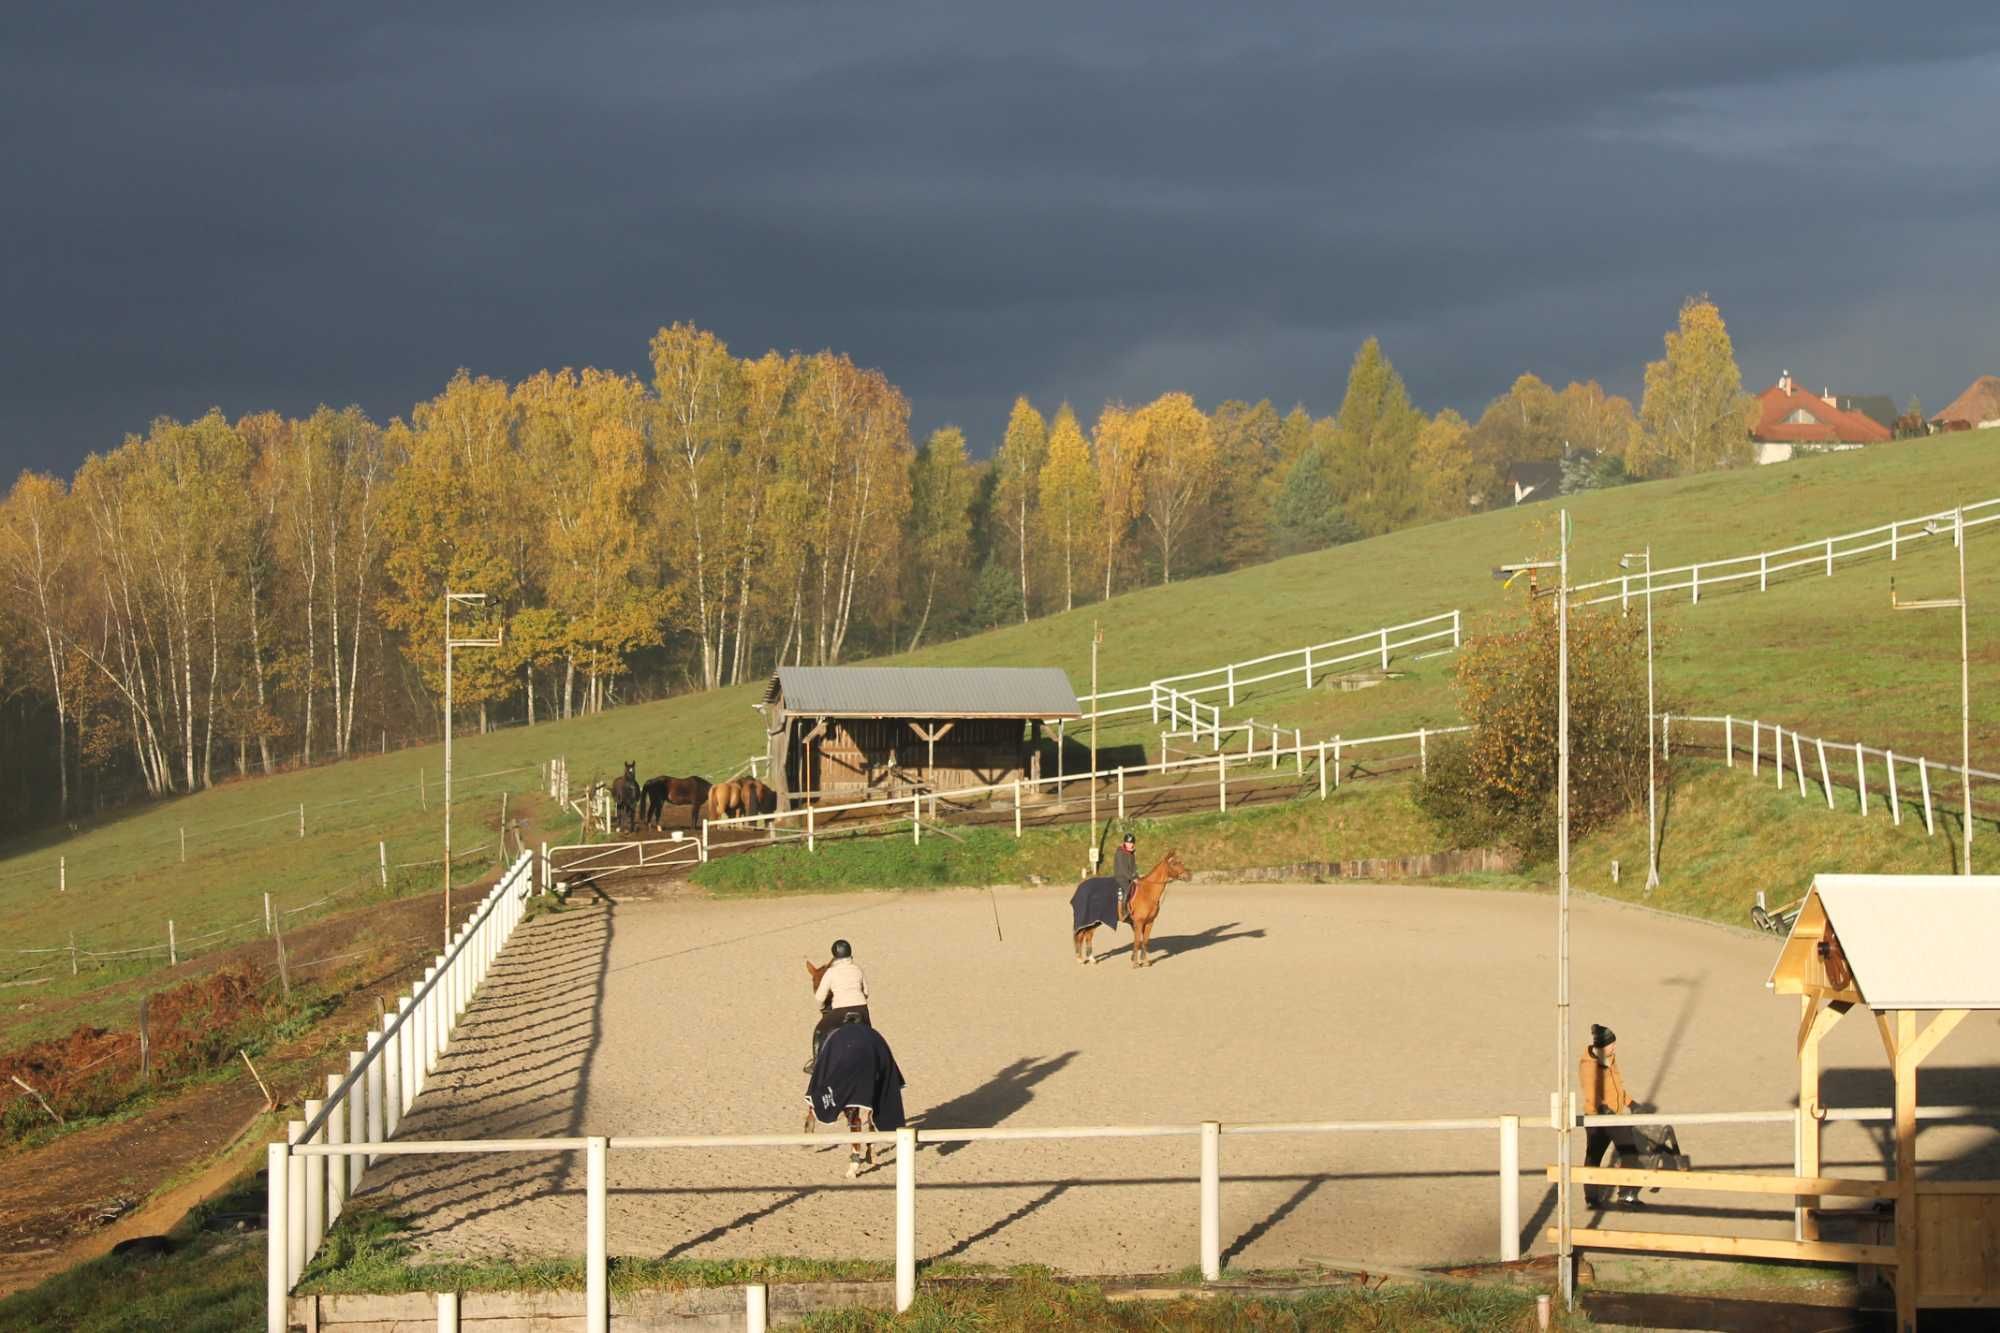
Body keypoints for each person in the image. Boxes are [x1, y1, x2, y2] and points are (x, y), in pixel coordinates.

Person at [1579, 1023, 1642, 1208]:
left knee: (1611, 1154)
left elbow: (1617, 1087)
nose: (1614, 1048)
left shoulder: (1610, 1058)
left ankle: (1621, 1195)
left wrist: (1630, 1102)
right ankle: (1600, 1197)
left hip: (1613, 1115)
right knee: (1605, 1155)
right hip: (1598, 1118)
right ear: (1601, 1046)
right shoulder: (1588, 1065)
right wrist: (1604, 1109)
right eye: (1611, 1044)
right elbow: (1591, 1092)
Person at [806, 938, 870, 1073]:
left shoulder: (831, 972)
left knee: (819, 1031)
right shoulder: (858, 969)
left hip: (840, 1011)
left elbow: (819, 997)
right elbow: (866, 992)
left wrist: (822, 1008)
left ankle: (816, 1064)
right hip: (862, 1009)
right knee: (871, 1035)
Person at [1113, 833, 1138, 922]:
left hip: (1130, 877)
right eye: (1128, 843)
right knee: (1128, 889)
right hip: (1121, 877)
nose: (1130, 844)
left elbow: (1134, 866)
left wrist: (1136, 876)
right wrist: (1132, 878)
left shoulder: (1132, 853)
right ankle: (1124, 911)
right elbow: (1123, 869)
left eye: (1131, 843)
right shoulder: (1120, 853)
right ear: (1124, 843)